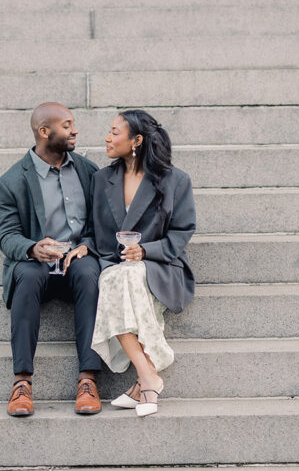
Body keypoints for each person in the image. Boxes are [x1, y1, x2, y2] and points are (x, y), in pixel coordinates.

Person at [0, 102, 103, 417]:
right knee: (27, 276)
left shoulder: (88, 171)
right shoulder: (11, 181)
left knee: (89, 272)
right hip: (37, 265)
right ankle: (22, 382)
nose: (75, 130)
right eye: (67, 125)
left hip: (76, 262)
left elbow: (102, 224)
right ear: (44, 131)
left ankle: (88, 380)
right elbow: (6, 236)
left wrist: (87, 245)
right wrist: (32, 248)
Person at [89, 109, 196, 417]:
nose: (107, 138)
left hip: (162, 264)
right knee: (116, 277)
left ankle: (144, 381)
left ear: (136, 140)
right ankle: (148, 375)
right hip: (115, 263)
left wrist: (145, 251)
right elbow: (93, 230)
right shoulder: (101, 179)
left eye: (114, 132)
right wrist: (87, 248)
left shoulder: (175, 180)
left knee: (124, 277)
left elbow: (182, 231)